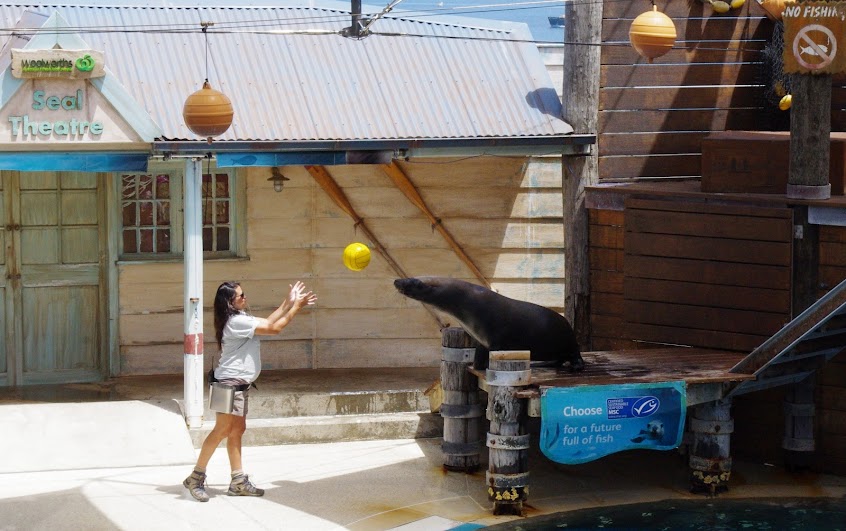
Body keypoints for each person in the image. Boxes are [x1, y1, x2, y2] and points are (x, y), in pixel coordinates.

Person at [183, 280, 317, 502]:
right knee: (221, 430)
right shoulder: (236, 321)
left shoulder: (240, 318)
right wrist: (296, 307)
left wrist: (288, 302)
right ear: (230, 302)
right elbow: (274, 328)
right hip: (228, 384)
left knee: (237, 430)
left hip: (239, 385)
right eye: (241, 295)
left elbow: (268, 321)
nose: (245, 297)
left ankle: (238, 481)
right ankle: (195, 478)